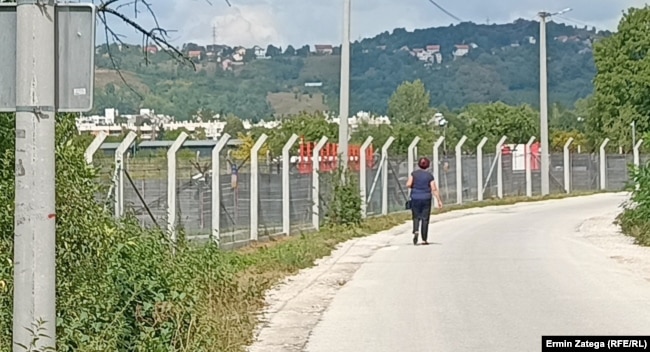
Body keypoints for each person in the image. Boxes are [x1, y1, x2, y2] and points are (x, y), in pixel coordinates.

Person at [406, 157, 443, 245]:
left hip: (415, 197)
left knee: (416, 216)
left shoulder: (413, 174)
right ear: (428, 165)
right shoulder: (429, 176)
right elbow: (433, 189)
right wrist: (439, 200)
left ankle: (415, 230)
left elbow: (408, 184)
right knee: (425, 219)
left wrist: (414, 187)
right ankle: (424, 239)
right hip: (426, 198)